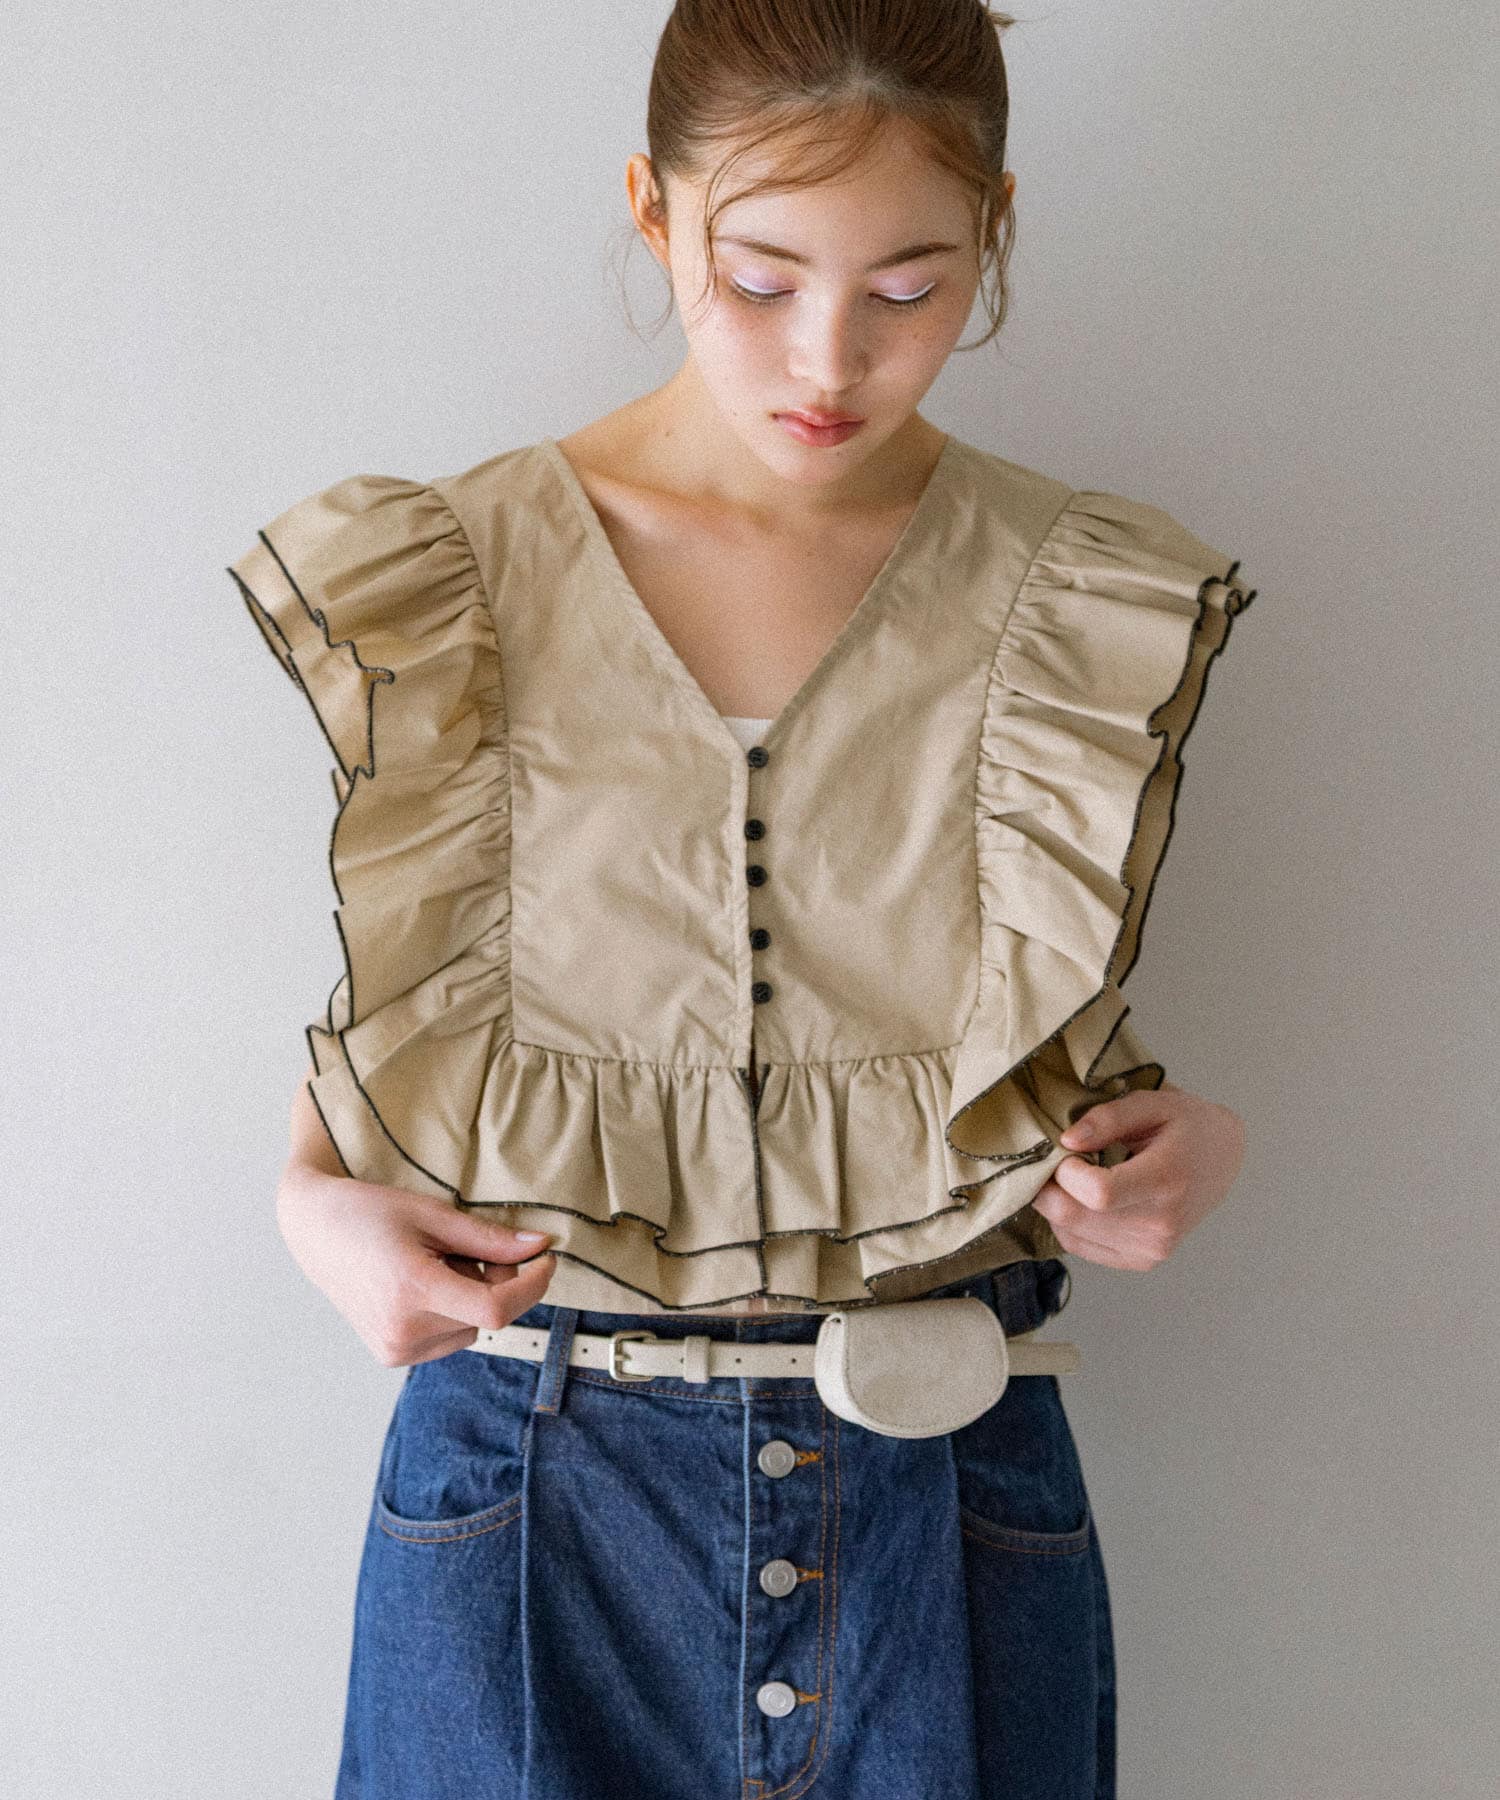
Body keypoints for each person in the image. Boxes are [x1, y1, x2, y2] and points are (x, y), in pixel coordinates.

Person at [231, 3, 1254, 1795]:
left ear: (996, 227)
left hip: (944, 1486)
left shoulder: (1075, 597)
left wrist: (1190, 1148)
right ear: (653, 208)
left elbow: (1047, 1042)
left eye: (911, 287)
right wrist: (311, 1212)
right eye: (761, 277)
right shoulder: (449, 581)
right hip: (535, 1492)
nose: (829, 358)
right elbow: (412, 1011)